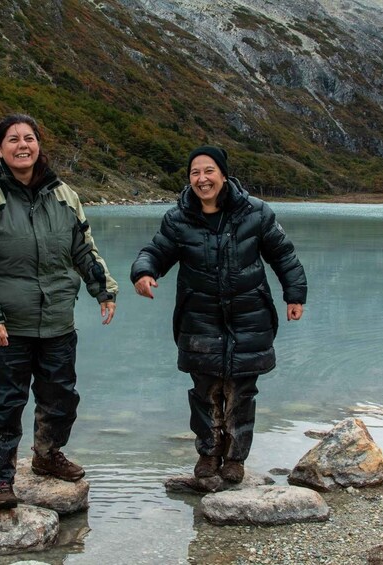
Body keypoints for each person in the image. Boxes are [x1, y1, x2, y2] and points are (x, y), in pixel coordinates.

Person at [0, 114, 118, 509]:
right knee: (4, 404)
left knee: (61, 398)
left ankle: (47, 456)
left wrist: (103, 289)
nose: (22, 145)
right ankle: (0, 480)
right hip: (6, 327)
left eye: (29, 138)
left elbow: (83, 249)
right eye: (13, 139)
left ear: (39, 145)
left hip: (58, 320)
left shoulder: (64, 195)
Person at [131, 146, 306, 483]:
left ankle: (236, 458)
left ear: (223, 175)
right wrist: (143, 271)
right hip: (200, 320)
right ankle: (208, 453)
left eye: (208, 171)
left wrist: (294, 293)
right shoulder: (178, 219)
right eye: (195, 173)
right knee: (204, 392)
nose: (202, 179)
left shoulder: (256, 213)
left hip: (248, 317)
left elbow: (283, 255)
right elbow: (155, 250)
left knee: (242, 393)